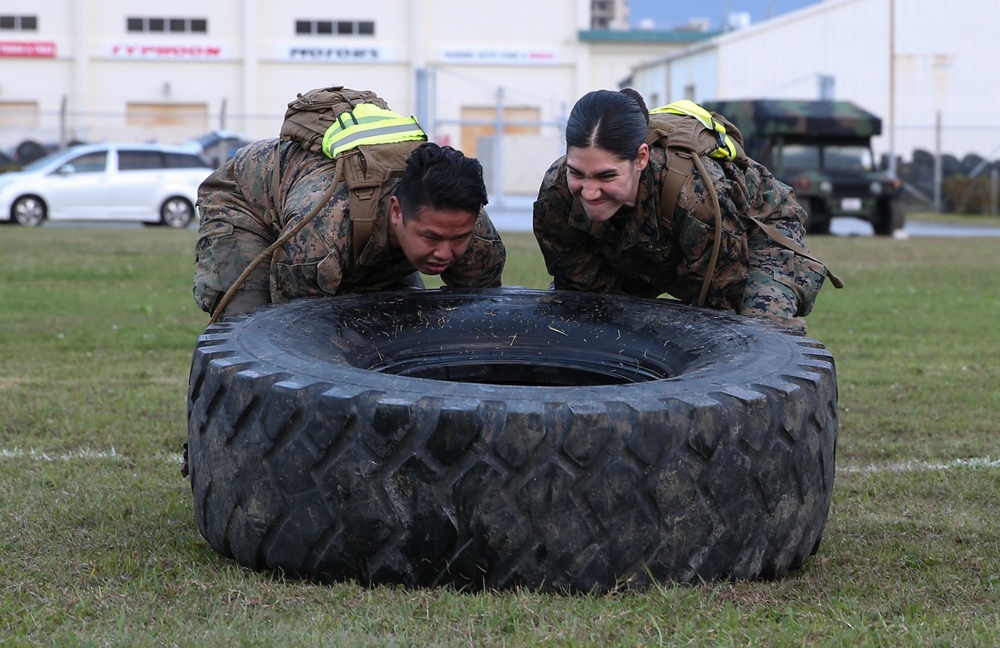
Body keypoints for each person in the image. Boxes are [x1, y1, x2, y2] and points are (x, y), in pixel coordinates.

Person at [533, 89, 837, 333]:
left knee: (750, 332)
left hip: (752, 234)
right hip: (650, 243)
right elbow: (579, 283)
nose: (589, 192)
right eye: (578, 173)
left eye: (606, 176)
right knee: (578, 316)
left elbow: (721, 298)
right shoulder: (556, 192)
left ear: (640, 159)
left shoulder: (693, 194)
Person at [193, 139, 506, 320]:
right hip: (249, 202)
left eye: (458, 238)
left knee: (407, 321)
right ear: (397, 212)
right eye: (431, 237)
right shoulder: (321, 234)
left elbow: (478, 324)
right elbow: (291, 332)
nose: (445, 253)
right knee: (247, 322)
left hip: (354, 230)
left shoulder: (475, 235)